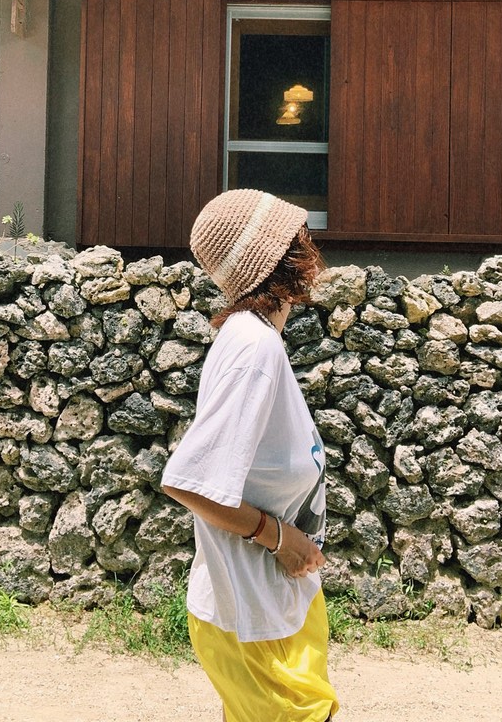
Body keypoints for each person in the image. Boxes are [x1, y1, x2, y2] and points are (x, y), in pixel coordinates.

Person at [161, 188, 339, 722]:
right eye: (296, 235)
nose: (309, 241)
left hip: (271, 607)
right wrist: (281, 539)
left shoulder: (255, 338)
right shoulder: (252, 348)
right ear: (279, 255)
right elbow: (187, 481)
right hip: (254, 616)